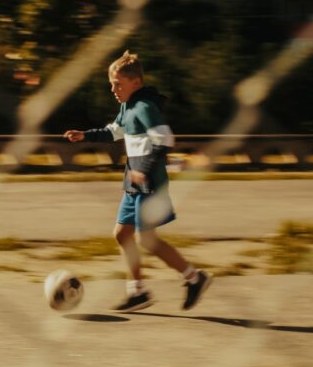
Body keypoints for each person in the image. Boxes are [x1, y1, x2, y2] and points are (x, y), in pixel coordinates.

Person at [63, 51, 212, 312]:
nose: (113, 89)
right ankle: (138, 292)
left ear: (136, 83)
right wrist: (84, 135)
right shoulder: (127, 108)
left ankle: (194, 278)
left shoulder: (145, 107)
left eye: (117, 84)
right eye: (111, 84)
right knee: (122, 234)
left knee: (147, 240)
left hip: (150, 182)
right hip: (134, 182)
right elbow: (113, 132)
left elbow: (165, 140)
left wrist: (145, 169)